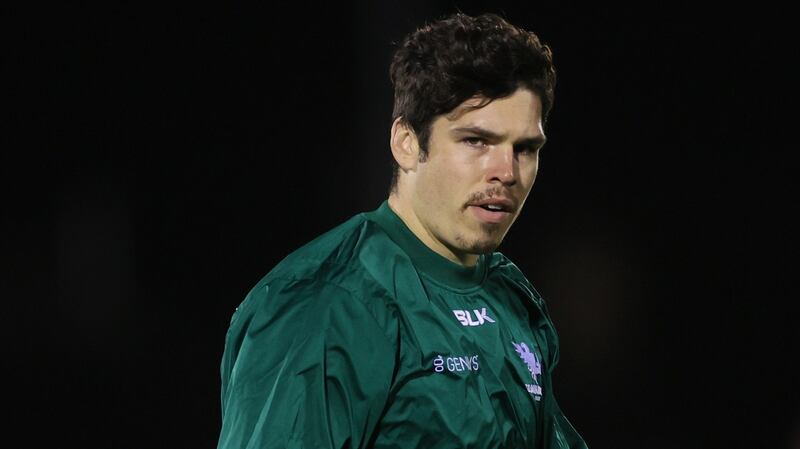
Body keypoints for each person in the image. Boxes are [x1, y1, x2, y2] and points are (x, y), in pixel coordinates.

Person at [217, 12, 588, 449]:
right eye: (476, 141)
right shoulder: (325, 303)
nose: (506, 172)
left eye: (525, 148)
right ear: (407, 143)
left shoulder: (512, 297)